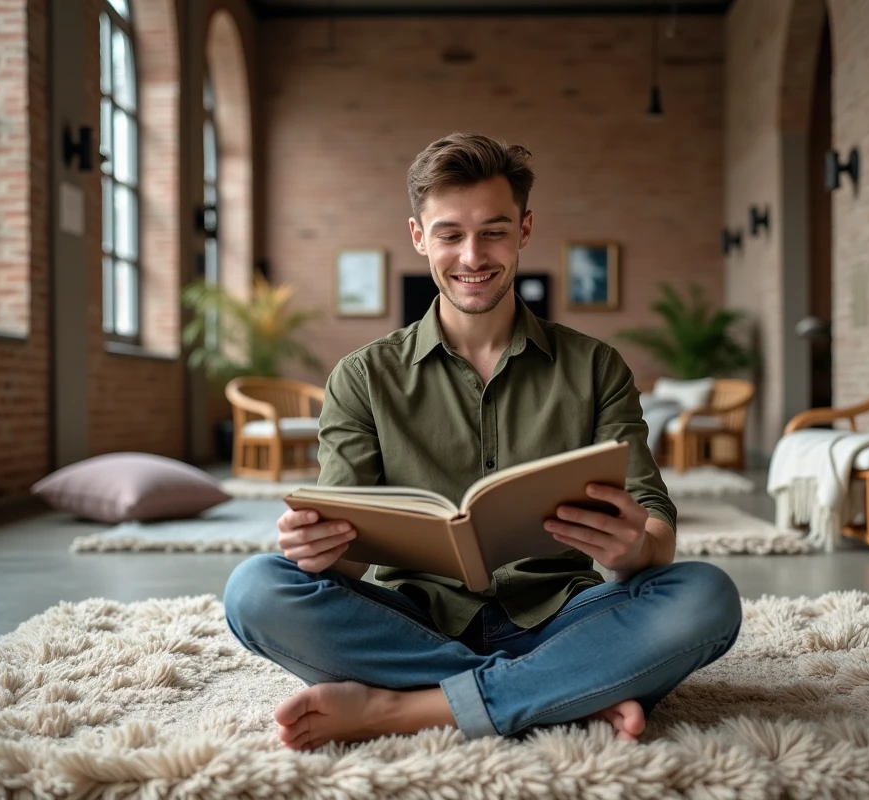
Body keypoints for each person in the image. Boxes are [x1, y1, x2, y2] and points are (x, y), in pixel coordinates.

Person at [223, 132, 743, 751]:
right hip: (408, 623)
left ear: (524, 230)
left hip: (561, 617)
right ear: (419, 237)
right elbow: (351, 558)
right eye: (450, 235)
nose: (473, 256)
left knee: (706, 596)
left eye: (494, 231)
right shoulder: (362, 377)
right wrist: (319, 547)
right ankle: (563, 696)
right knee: (256, 588)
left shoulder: (595, 367)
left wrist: (634, 548)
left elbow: (654, 527)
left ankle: (402, 709)